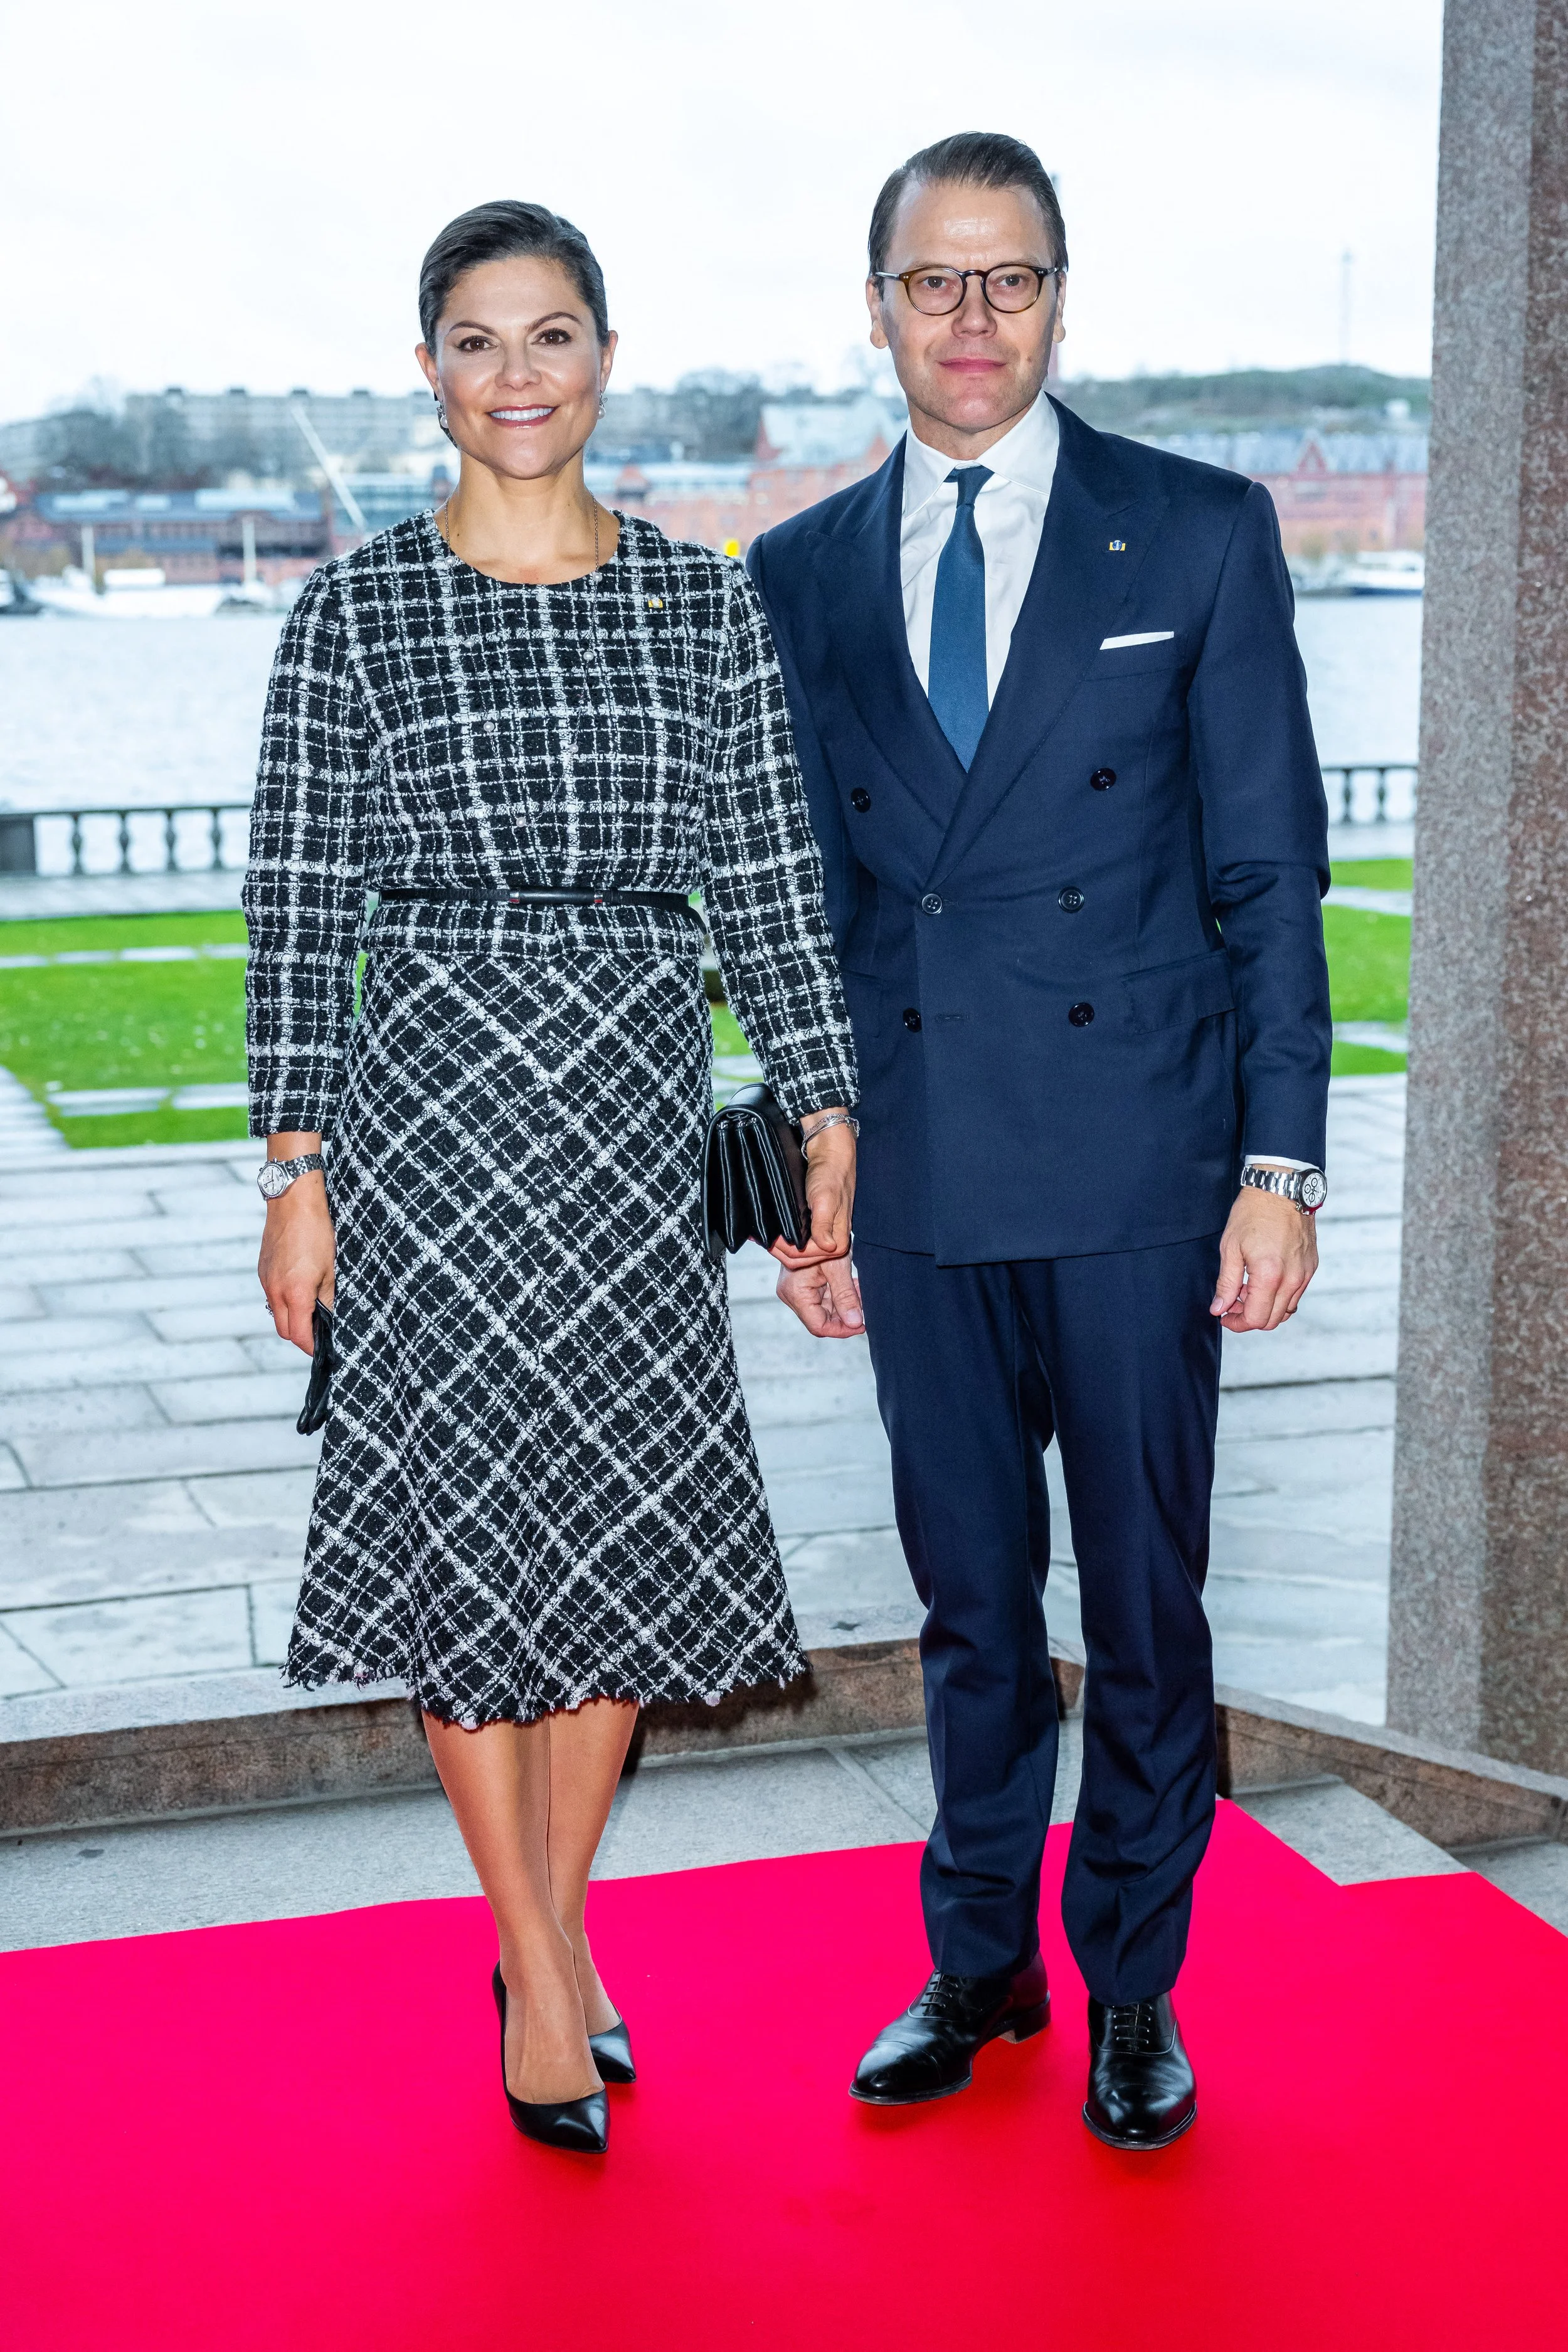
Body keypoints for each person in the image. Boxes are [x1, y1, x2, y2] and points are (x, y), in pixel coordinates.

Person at [246, 199, 859, 2157]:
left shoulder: (697, 608)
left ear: (609, 359)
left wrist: (823, 1104)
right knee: (461, 1538)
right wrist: (296, 1162)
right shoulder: (349, 612)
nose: (518, 374)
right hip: (421, 1113)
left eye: (555, 335)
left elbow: (763, 873)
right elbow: (294, 909)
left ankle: (547, 1936)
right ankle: (536, 1967)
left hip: (621, 1114)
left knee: (614, 1546)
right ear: (424, 369)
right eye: (480, 340)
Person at [749, 132, 1330, 2149]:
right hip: (911, 1170)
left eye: (1007, 281)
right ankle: (979, 1958)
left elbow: (1269, 873)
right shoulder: (799, 573)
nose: (970, 318)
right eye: (933, 281)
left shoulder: (1193, 533)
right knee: (974, 1599)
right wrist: (793, 1189)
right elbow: (790, 911)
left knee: (1144, 1604)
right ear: (880, 304)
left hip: (1140, 1165)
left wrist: (1282, 1165)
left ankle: (1135, 1990)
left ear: (1061, 298)